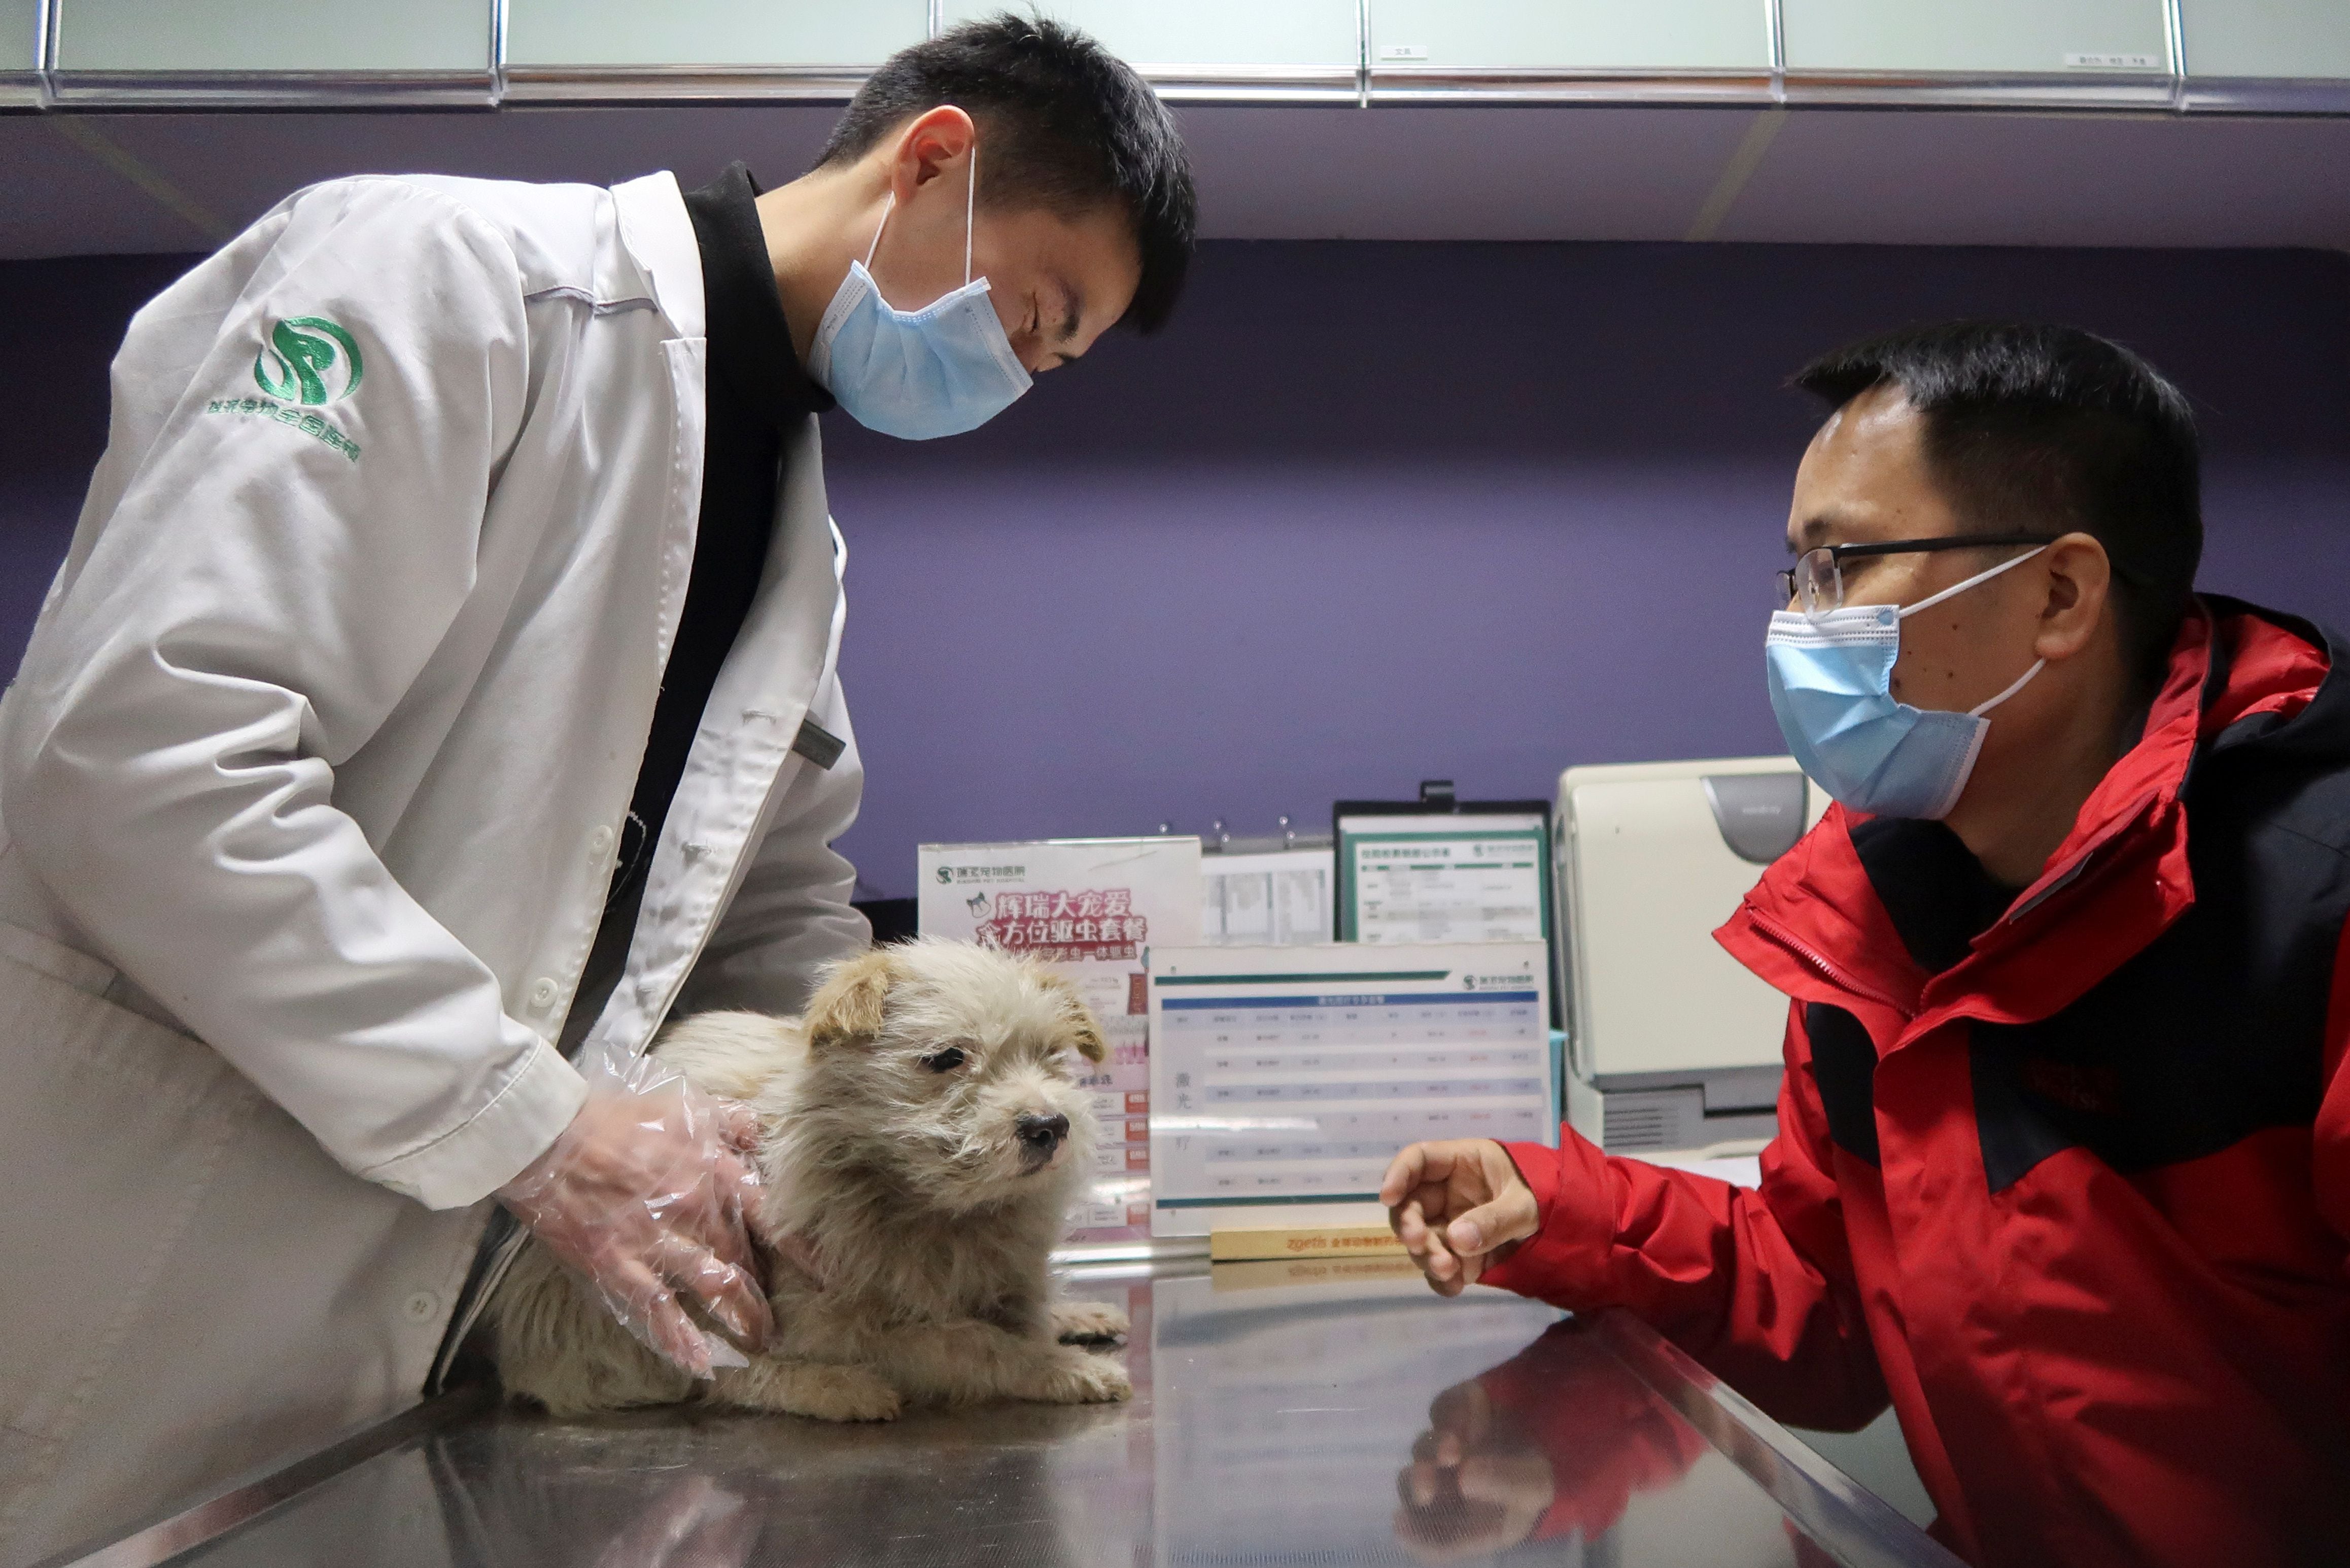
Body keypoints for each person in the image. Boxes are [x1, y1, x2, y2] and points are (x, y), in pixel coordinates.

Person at [0, 15, 1194, 1564]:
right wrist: (536, 1127)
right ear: (936, 159)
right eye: (1036, 311)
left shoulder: (787, 537)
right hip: (152, 1252)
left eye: (1052, 361)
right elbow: (143, 752)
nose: (1018, 376)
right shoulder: (444, 280)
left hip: (423, 1339)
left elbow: (773, 924)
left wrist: (898, 1137)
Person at [1381, 322, 2350, 1568]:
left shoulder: (2311, 902)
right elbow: (1830, 1307)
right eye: (1797, 575)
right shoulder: (1875, 915)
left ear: (2059, 595)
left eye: (1842, 567)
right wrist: (1562, 1210)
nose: (1800, 622)